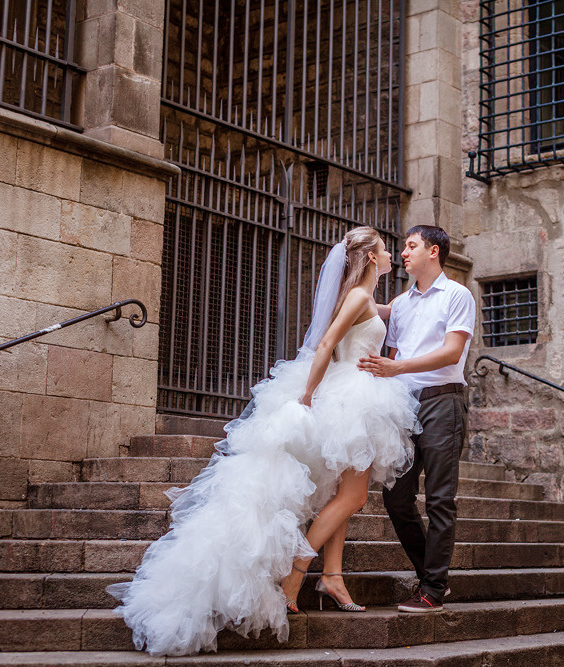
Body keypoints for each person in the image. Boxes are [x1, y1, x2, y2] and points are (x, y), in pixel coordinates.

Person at [107, 226, 418, 656]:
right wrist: (307, 394)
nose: (391, 257)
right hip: (352, 400)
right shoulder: (359, 299)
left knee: (339, 493)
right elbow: (327, 341)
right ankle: (297, 572)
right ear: (369, 259)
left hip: (354, 395)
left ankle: (333, 575)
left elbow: (389, 311)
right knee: (355, 496)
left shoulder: (366, 300)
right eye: (385, 251)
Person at [358, 225, 476, 613]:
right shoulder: (402, 303)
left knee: (441, 499)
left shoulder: (458, 295)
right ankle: (432, 575)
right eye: (403, 248)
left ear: (434, 251)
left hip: (443, 403)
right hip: (405, 406)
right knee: (396, 497)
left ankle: (432, 591)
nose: (404, 253)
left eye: (411, 246)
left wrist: (398, 366)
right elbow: (377, 332)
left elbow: (451, 352)